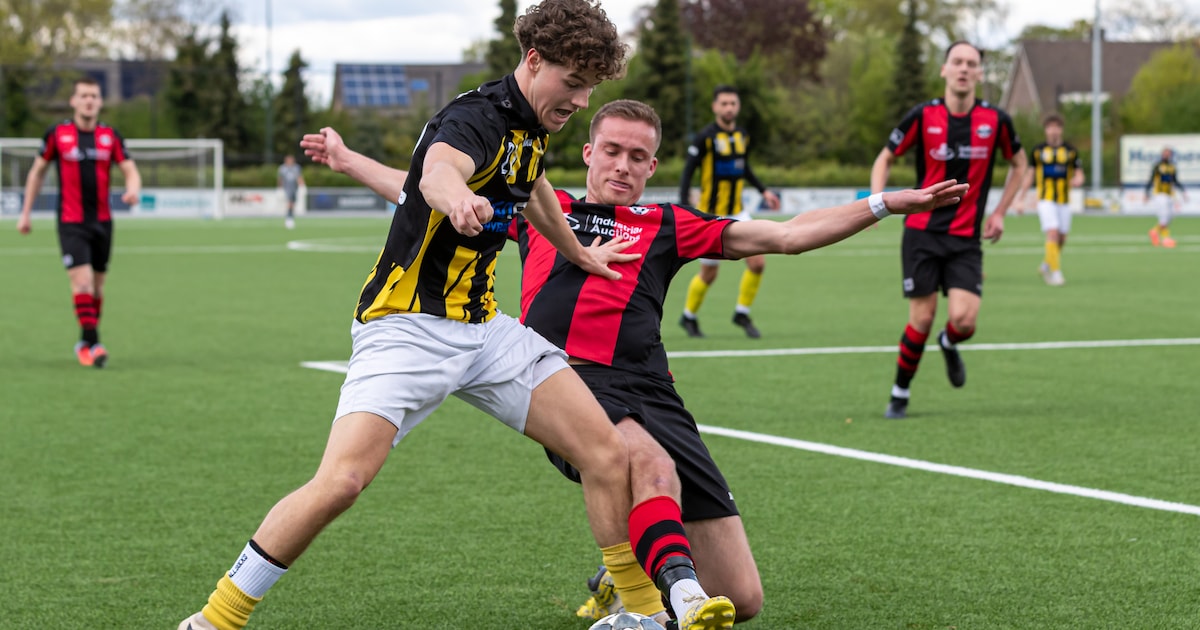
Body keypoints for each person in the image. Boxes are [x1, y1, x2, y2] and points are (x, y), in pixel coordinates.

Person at [177, 3, 734, 629]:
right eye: (573, 83)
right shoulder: (473, 119)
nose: (580, 98)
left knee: (607, 453)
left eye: (590, 87)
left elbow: (536, 184)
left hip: (484, 328)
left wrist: (579, 252)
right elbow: (438, 171)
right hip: (406, 326)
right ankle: (215, 618)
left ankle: (638, 614)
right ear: (533, 61)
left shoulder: (532, 124)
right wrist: (458, 197)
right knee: (343, 481)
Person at [511, 100, 966, 626]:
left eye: (638, 156)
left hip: (655, 392)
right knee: (650, 465)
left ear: (653, 167)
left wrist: (884, 203)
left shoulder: (667, 222)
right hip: (571, 381)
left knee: (743, 596)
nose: (623, 165)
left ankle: (622, 575)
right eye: (612, 151)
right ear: (589, 153)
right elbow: (430, 181)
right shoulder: (542, 209)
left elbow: (787, 235)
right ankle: (676, 598)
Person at [870, 41, 1027, 420]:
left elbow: (1021, 164)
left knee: (964, 321)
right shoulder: (923, 116)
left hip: (966, 238)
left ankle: (949, 341)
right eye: (956, 61)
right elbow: (886, 156)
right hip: (922, 233)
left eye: (971, 64)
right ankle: (900, 391)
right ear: (944, 70)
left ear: (979, 74)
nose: (963, 68)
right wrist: (879, 202)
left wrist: (1001, 211)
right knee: (921, 318)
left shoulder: (996, 120)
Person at [16, 76, 142, 369]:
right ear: (73, 101)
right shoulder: (57, 134)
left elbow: (130, 169)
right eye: (83, 95)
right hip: (71, 221)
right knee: (82, 282)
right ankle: (94, 344)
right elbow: (37, 173)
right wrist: (26, 213)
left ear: (100, 102)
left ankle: (84, 340)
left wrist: (133, 188)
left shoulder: (111, 137)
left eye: (94, 96)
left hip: (103, 222)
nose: (89, 101)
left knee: (97, 288)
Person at [677, 85, 781, 339]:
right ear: (715, 107)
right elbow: (687, 173)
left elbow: (744, 168)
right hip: (711, 216)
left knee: (758, 262)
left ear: (738, 106)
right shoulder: (705, 138)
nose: (729, 108)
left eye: (732, 103)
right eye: (723, 103)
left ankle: (741, 312)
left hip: (739, 212)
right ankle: (688, 316)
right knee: (709, 273)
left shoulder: (742, 135)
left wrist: (763, 190)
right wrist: (684, 206)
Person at [1019, 113, 1083, 286]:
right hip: (1046, 199)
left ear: (1061, 130)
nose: (1053, 131)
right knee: (1052, 233)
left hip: (1064, 200)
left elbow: (1079, 173)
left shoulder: (1070, 151)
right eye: (1050, 127)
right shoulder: (1038, 151)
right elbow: (1030, 175)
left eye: (1057, 127)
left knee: (1062, 239)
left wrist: (1078, 179)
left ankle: (1047, 264)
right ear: (1046, 130)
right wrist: (1021, 198)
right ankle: (1055, 273)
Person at [1145, 147, 1187, 248]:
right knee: (1164, 216)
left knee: (1170, 216)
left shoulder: (1173, 167)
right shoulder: (1157, 166)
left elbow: (1175, 181)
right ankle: (1165, 238)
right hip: (1160, 194)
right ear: (1162, 154)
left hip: (1169, 195)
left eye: (1168, 153)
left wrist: (1183, 191)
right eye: (1165, 153)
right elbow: (1151, 180)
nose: (1166, 155)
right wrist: (1146, 192)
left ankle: (1155, 231)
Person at [277, 154, 304, 229]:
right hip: (286, 188)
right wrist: (280, 188)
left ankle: (290, 217)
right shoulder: (282, 168)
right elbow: (280, 178)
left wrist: (302, 186)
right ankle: (289, 219)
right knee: (289, 203)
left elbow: (299, 177)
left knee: (292, 204)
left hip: (294, 188)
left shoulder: (296, 167)